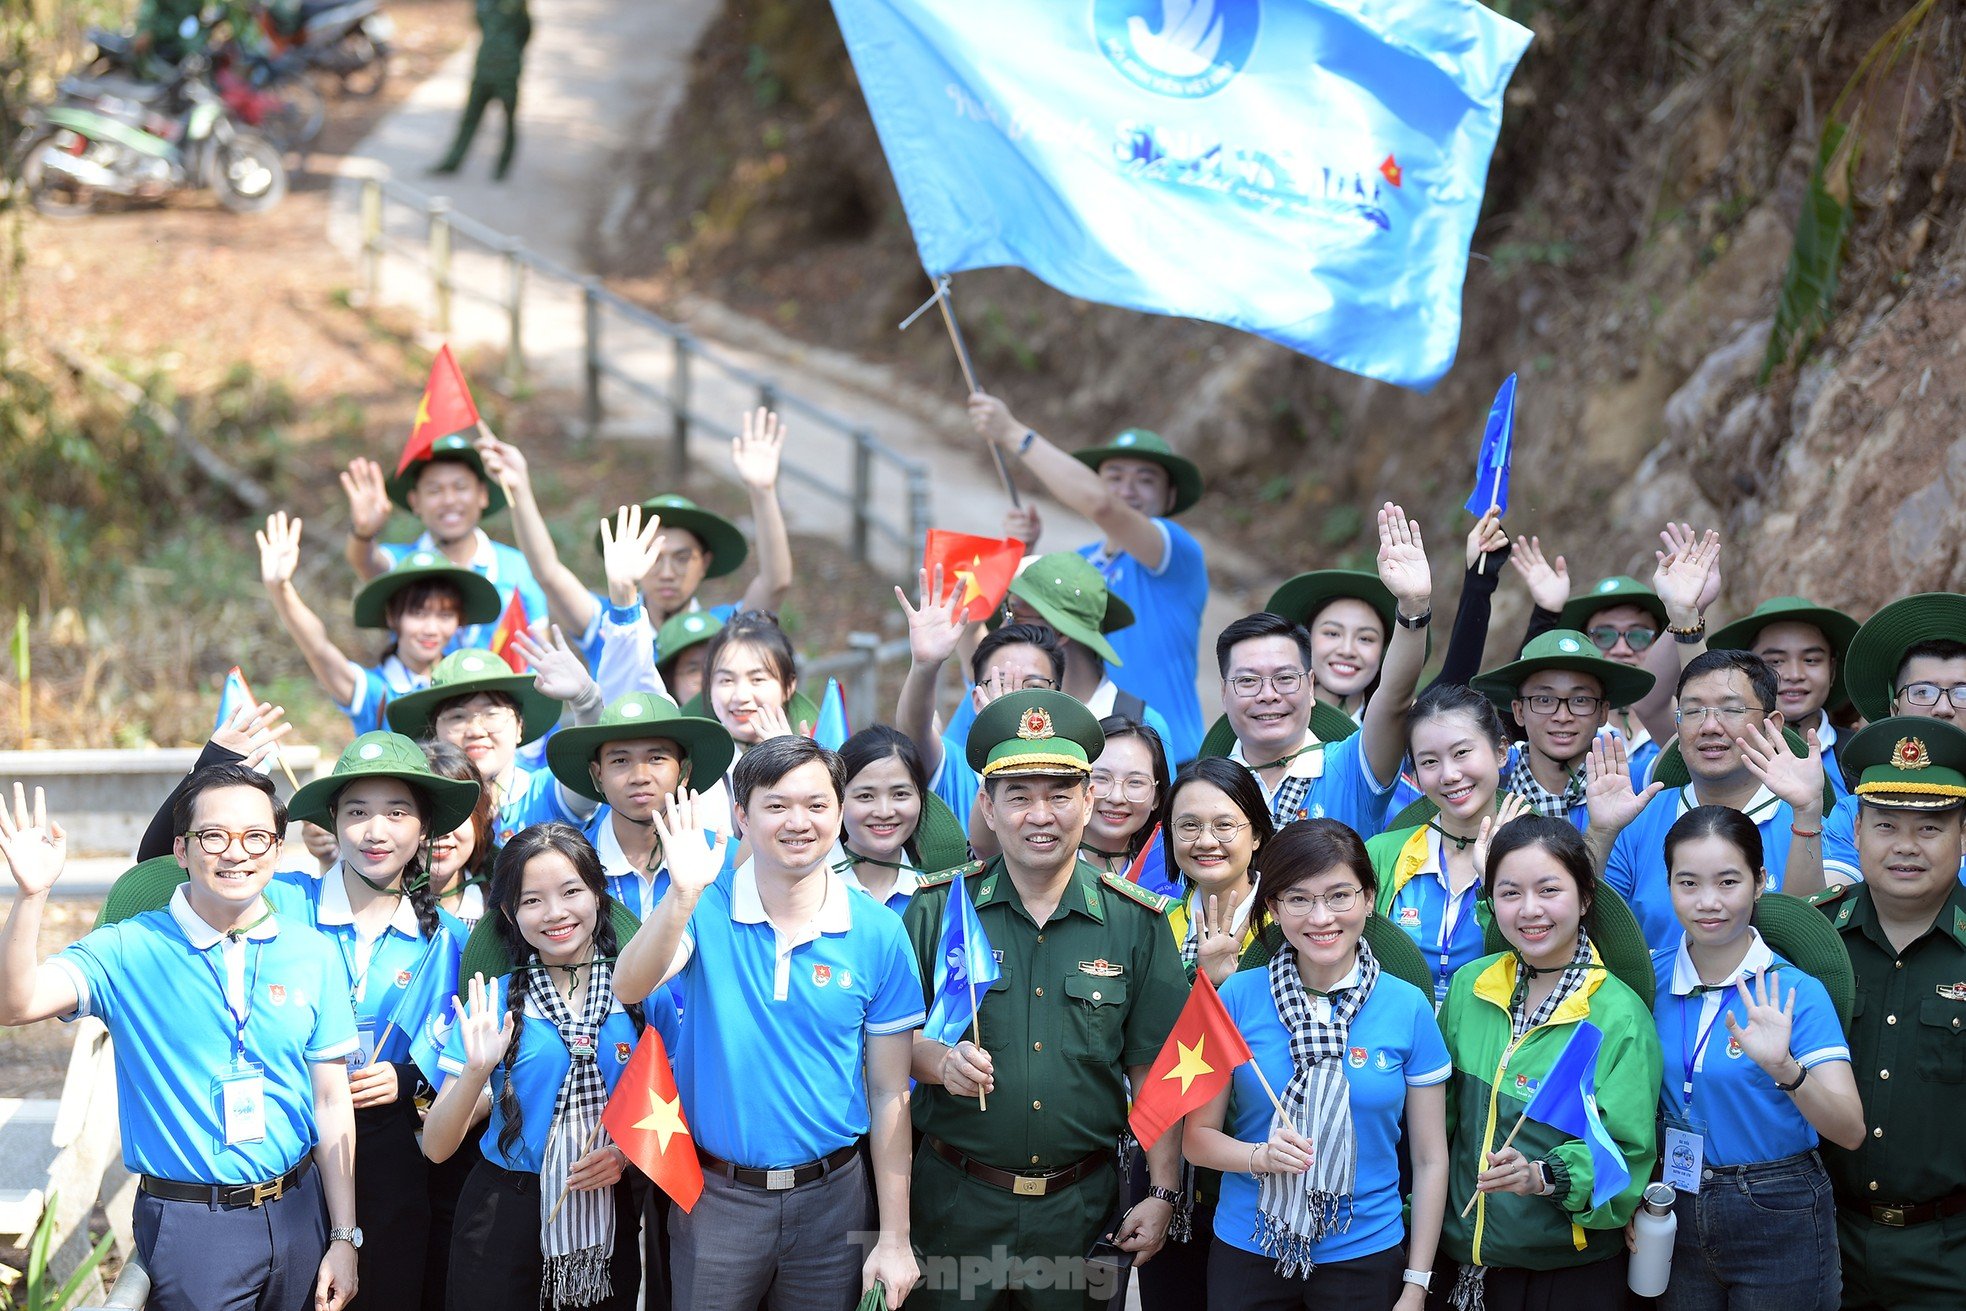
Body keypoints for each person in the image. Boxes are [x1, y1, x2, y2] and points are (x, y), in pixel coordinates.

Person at [0, 770, 361, 1311]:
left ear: (276, 848)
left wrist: (343, 1235)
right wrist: (32, 896)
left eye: (255, 837)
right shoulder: (128, 949)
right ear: (181, 850)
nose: (235, 853)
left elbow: (331, 1102)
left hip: (299, 1208)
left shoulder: (313, 951)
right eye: (214, 836)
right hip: (196, 1227)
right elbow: (16, 1004)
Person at [903, 690, 1189, 1310]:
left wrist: (1164, 1189)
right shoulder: (937, 911)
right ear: (987, 804)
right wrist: (940, 1062)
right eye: (1019, 796)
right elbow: (892, 1046)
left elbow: (1155, 1071)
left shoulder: (1136, 923)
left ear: (1088, 801)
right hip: (955, 1204)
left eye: (1060, 794)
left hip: (1079, 1212)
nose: (1041, 815)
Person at [613, 738, 923, 1309]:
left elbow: (888, 1092)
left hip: (834, 1202)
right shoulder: (705, 905)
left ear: (838, 811)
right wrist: (681, 895)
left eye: (816, 804)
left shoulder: (879, 932)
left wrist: (895, 1239)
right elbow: (629, 985)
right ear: (741, 816)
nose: (798, 823)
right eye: (776, 805)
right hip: (716, 1200)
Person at [1184, 819, 1450, 1310]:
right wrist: (1258, 1157)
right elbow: (1197, 1139)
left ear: (1369, 899)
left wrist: (1416, 1283)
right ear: (1273, 907)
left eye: (1340, 896)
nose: (1321, 917)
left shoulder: (1408, 1007)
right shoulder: (1236, 998)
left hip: (1366, 1252)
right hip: (1250, 1247)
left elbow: (1431, 1160)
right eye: (1299, 899)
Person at [276, 732, 483, 1309]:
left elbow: (469, 1061)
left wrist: (412, 1081)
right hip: (284, 1149)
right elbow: (166, 873)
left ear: (423, 830)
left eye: (397, 813)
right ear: (332, 824)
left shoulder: (450, 942)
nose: (375, 831)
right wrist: (217, 759)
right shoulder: (284, 903)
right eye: (357, 812)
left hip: (388, 1159)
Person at [1437, 817, 1661, 1308]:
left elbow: (1627, 1159)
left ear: (1584, 899)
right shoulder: (1469, 987)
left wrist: (1543, 1176)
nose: (1529, 910)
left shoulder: (1618, 1015)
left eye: (1549, 890)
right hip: (1458, 1263)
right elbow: (1437, 1126)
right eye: (1510, 892)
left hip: (1565, 1273)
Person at [1648, 805, 1863, 1311]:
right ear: (1669, 885)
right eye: (1688, 883)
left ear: (1760, 881)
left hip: (1778, 1204)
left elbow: (1850, 1129)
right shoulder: (1648, 979)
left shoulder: (1793, 992)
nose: (1708, 903)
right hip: (1673, 1202)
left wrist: (1786, 1070)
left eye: (1728, 882)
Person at [424, 825, 647, 1310]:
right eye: (532, 900)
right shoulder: (493, 1001)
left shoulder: (641, 991)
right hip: (504, 1215)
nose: (555, 914)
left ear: (599, 894)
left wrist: (627, 1154)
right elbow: (437, 1147)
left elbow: (668, 1105)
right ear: (508, 912)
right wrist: (476, 1070)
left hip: (606, 1211)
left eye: (571, 891)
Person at [1809, 717, 1966, 1311]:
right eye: (1886, 825)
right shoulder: (1816, 938)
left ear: (1963, 835)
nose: (1906, 846)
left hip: (1951, 1252)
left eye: (1930, 827)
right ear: (1856, 830)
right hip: (1824, 1237)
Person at [968, 394, 1208, 762]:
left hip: (1171, 756)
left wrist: (1013, 433)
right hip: (1087, 752)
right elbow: (1012, 634)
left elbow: (1102, 506)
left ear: (1170, 494)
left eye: (1145, 480)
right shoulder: (1081, 563)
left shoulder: (1175, 552)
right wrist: (1024, 552)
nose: (1127, 490)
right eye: (1114, 477)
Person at [477, 412, 792, 675]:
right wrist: (519, 491)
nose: (667, 572)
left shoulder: (724, 629)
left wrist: (762, 492)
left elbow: (776, 583)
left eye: (682, 558)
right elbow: (547, 572)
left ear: (705, 562)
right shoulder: (609, 625)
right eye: (653, 557)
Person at [1215, 504, 1432, 837]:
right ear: (1224, 692)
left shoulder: (1350, 769)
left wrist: (1413, 608)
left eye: (1285, 678)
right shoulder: (1207, 786)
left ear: (1310, 685)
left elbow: (1394, 699)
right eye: (1247, 681)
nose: (1268, 695)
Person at [1603, 650, 1829, 950]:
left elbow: (1816, 944)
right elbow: (1590, 926)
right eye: (1693, 711)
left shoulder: (1815, 824)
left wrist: (1807, 814)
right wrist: (1601, 832)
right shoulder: (1637, 819)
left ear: (1770, 724)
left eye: (1732, 710)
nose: (1710, 726)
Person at [1514, 525, 1725, 786]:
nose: (1621, 649)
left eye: (1637, 636)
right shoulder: (1555, 734)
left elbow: (1703, 721)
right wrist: (1545, 615)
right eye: (1604, 636)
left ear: (1661, 639)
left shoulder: (1679, 717)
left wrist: (1688, 611)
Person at [260, 511, 504, 735]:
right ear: (392, 616)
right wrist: (281, 588)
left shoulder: (462, 687)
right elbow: (319, 649)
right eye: (418, 613)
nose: (431, 629)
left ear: (459, 621)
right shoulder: (376, 692)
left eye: (445, 616)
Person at [341, 433, 548, 654]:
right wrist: (363, 533)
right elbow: (365, 561)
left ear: (482, 495)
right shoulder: (405, 566)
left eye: (460, 487)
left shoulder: (517, 567)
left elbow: (542, 647)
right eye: (434, 490)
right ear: (415, 501)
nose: (449, 500)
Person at [386, 641, 605, 843]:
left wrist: (587, 701)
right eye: (457, 717)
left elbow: (587, 780)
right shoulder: (418, 808)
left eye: (491, 714)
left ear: (519, 727)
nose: (475, 730)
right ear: (434, 733)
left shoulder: (544, 793)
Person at [543, 693, 734, 922]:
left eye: (656, 758)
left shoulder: (725, 859)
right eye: (620, 761)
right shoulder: (567, 864)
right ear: (598, 774)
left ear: (685, 772)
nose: (640, 777)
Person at [1819, 592, 1966, 884]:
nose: (1943, 708)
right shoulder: (1855, 811)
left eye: (1962, 693)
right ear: (1894, 710)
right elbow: (1827, 907)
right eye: (1923, 691)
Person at [1467, 629, 1658, 825]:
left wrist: (1684, 624)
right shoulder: (1487, 791)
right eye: (1544, 700)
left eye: (1580, 700)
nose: (1563, 716)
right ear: (1519, 711)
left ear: (1603, 712)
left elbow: (1683, 751)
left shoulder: (1630, 782)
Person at [1707, 597, 1860, 800]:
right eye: (1776, 661)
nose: (1794, 674)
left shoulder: (1860, 758)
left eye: (1811, 660)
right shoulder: (1722, 750)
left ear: (1832, 670)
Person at [1162, 757, 1275, 987]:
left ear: (1256, 836)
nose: (1206, 841)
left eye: (1224, 825)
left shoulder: (1286, 922)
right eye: (1189, 825)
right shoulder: (1156, 926)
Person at [832, 725, 933, 910]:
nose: (884, 812)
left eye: (900, 794)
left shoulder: (939, 899)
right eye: (865, 796)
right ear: (838, 802)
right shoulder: (806, 888)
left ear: (921, 797)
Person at [431, 0, 531, 178]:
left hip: (506, 70)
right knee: (469, 118)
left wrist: (509, 53)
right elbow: (479, 22)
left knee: (508, 121)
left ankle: (502, 168)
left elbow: (526, 30)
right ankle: (451, 162)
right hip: (483, 67)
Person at [1081, 715, 1171, 888]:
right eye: (1101, 778)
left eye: (1135, 782)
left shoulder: (1171, 880)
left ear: (1157, 796)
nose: (1116, 798)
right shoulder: (1043, 869)